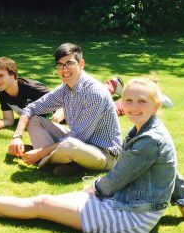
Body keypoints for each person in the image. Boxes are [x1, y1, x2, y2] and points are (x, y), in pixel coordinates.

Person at [0, 77, 184, 233]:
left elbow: (120, 176)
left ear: (156, 106)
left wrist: (95, 189)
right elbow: (174, 176)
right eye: (129, 100)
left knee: (42, 204)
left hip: (131, 220)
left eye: (142, 102)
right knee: (47, 205)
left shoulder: (150, 139)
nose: (133, 107)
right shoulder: (145, 129)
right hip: (125, 204)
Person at [8, 43, 122, 176]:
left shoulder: (95, 92)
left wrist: (41, 152)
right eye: (60, 65)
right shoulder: (65, 88)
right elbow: (31, 108)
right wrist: (17, 136)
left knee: (70, 145)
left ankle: (43, 158)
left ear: (81, 64)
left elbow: (78, 137)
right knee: (34, 120)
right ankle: (68, 163)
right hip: (76, 140)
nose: (64, 69)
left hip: (104, 153)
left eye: (69, 63)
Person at [0, 57, 50, 134]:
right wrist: (1, 123)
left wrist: (59, 115)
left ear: (12, 75)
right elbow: (9, 119)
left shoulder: (32, 88)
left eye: (1, 76)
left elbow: (61, 99)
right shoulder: (2, 91)